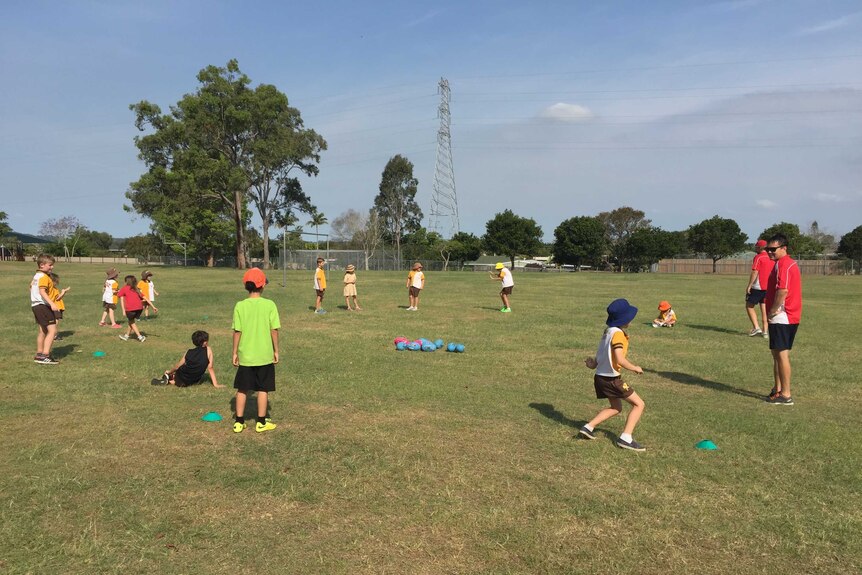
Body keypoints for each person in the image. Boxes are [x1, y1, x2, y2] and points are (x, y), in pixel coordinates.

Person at [580, 298, 647, 452]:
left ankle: (588, 427)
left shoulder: (607, 332)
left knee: (616, 407)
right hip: (611, 379)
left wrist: (593, 364)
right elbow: (619, 358)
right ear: (625, 319)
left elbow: (602, 354)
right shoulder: (618, 335)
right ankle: (626, 438)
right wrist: (634, 367)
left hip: (600, 377)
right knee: (639, 404)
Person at [232, 268, 280, 433]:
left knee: (242, 388)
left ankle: (239, 421)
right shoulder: (269, 304)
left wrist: (235, 352)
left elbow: (237, 331)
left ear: (246, 285)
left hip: (246, 354)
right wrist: (276, 350)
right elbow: (274, 330)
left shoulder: (240, 305)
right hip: (264, 354)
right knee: (263, 389)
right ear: (263, 286)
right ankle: (261, 422)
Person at [764, 234, 802, 405]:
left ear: (784, 248)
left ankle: (786, 395)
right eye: (767, 249)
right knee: (776, 354)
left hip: (783, 315)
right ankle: (777, 389)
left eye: (773, 249)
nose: (769, 252)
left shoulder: (785, 264)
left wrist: (772, 311)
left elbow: (783, 290)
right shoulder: (780, 264)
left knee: (781, 354)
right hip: (782, 316)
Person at [30, 254, 61, 364]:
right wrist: (51, 303)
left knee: (43, 331)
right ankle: (45, 355)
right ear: (42, 265)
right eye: (50, 265)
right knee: (52, 331)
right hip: (43, 306)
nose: (52, 267)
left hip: (36, 306)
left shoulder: (36, 276)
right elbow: (42, 291)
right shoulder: (43, 277)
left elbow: (31, 288)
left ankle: (39, 354)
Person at [117, 275, 157, 342]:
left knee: (132, 322)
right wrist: (153, 307)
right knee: (131, 321)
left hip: (130, 309)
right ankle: (126, 336)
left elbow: (120, 298)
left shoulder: (124, 288)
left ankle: (140, 337)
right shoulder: (136, 289)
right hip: (139, 309)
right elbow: (145, 298)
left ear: (126, 282)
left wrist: (123, 311)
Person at [745, 239, 771, 338]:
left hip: (758, 287)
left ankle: (756, 328)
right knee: (764, 308)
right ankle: (765, 331)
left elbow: (755, 272)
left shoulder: (759, 257)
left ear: (760, 247)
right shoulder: (771, 257)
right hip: (768, 287)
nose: (756, 248)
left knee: (749, 306)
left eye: (756, 247)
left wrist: (749, 285)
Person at [48, 272, 70, 340]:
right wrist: (63, 292)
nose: (57, 283)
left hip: (53, 307)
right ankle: (54, 335)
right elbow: (58, 298)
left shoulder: (50, 289)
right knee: (55, 322)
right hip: (56, 308)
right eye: (56, 282)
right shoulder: (54, 289)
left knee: (53, 322)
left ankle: (51, 334)